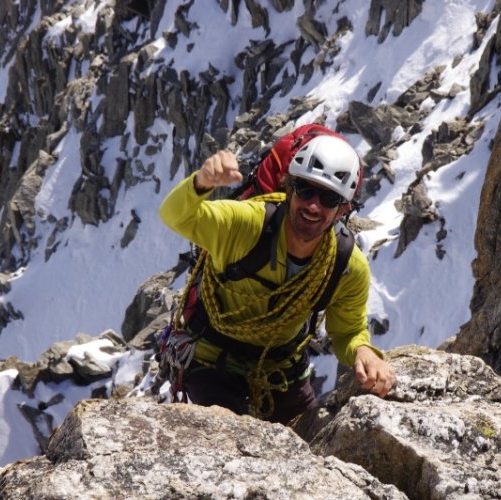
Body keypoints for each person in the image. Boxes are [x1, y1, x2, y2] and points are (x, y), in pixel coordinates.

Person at [159, 134, 396, 424]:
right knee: (230, 435)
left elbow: (347, 332)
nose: (313, 206)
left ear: (343, 209)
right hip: (211, 358)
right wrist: (201, 183)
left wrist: (364, 352)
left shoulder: (346, 265)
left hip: (281, 368)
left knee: (307, 444)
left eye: (329, 198)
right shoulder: (245, 224)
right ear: (288, 187)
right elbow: (175, 216)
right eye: (306, 190)